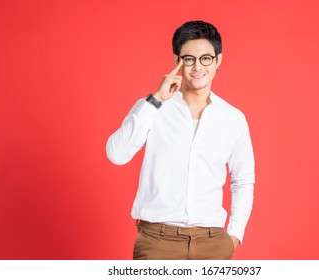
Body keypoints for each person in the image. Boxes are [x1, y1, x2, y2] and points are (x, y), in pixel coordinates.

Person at [106, 20, 255, 260]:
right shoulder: (153, 107)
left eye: (205, 58)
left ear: (218, 60)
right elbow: (116, 154)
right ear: (178, 60)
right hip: (157, 242)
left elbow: (243, 180)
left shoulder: (232, 119)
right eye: (189, 59)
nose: (197, 66)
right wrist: (155, 100)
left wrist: (234, 236)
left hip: (213, 244)